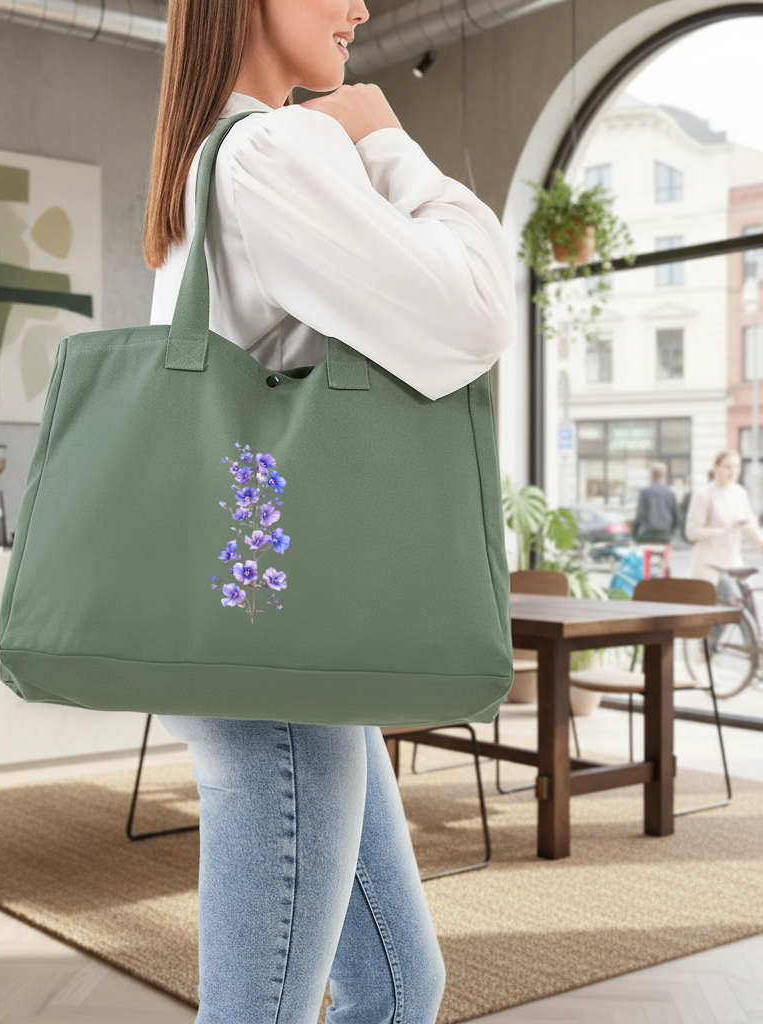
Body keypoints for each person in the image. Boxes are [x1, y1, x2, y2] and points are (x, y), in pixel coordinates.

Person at [143, 1, 514, 1021]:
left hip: (261, 629)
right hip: (273, 644)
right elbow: (475, 311)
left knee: (399, 985)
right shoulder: (273, 148)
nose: (360, 4)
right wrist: (389, 143)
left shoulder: (218, 158)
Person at [686, 450, 763, 594]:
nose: (733, 471)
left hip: (734, 564)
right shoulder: (704, 495)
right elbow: (691, 532)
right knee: (727, 609)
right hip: (709, 567)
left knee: (748, 609)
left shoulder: (740, 493)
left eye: (736, 467)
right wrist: (722, 530)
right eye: (727, 466)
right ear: (716, 468)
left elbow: (749, 527)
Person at [632, 462, 680, 544]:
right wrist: (671, 532)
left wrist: (635, 534)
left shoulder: (645, 492)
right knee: (663, 556)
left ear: (651, 475)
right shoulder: (670, 493)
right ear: (664, 475)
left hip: (648, 534)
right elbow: (676, 516)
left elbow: (640, 515)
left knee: (647, 555)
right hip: (665, 534)